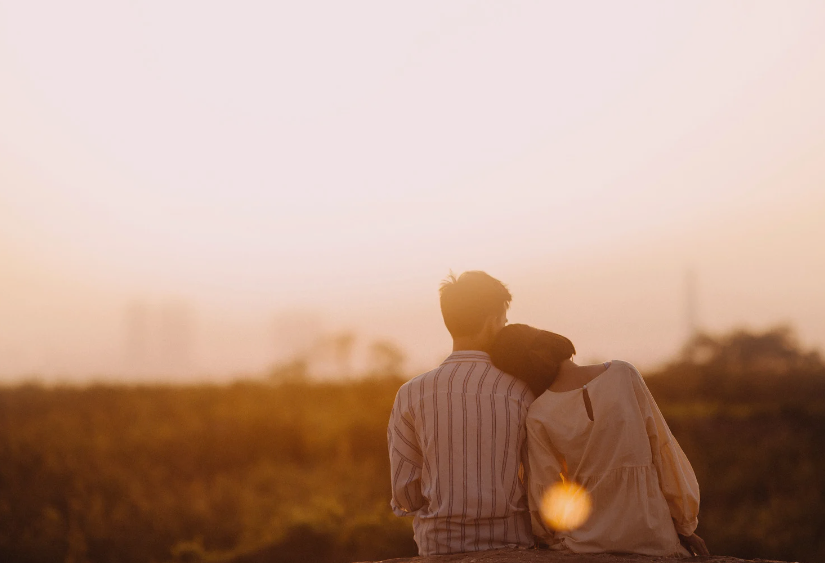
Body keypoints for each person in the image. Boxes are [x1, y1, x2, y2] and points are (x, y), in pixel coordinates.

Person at [490, 324, 710, 557]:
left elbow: (546, 491)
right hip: (653, 535)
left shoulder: (538, 414)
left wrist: (546, 537)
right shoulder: (624, 374)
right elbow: (663, 450)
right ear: (550, 340)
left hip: (585, 543)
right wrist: (685, 525)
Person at [387, 272, 535, 556]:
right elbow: (538, 479)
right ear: (494, 321)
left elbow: (405, 494)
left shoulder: (411, 392)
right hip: (512, 544)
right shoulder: (521, 390)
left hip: (440, 546)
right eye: (503, 320)